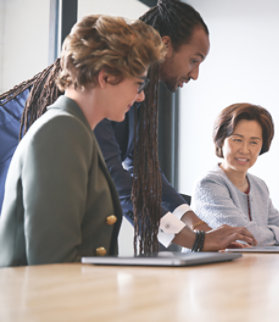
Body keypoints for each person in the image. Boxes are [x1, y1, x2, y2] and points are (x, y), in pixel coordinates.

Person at [0, 0, 256, 254]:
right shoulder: (69, 121)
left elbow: (146, 172)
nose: (196, 74)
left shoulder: (124, 99)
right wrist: (195, 240)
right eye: (193, 60)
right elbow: (116, 180)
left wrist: (196, 224)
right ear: (106, 77)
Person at [0, 14, 166, 266]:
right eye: (138, 84)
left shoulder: (74, 130)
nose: (140, 97)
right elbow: (53, 265)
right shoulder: (60, 133)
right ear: (106, 76)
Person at [191, 103, 279, 246]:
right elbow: (242, 234)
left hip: (248, 264)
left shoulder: (259, 185)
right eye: (237, 140)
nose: (245, 150)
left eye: (254, 142)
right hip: (212, 267)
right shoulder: (208, 184)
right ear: (221, 140)